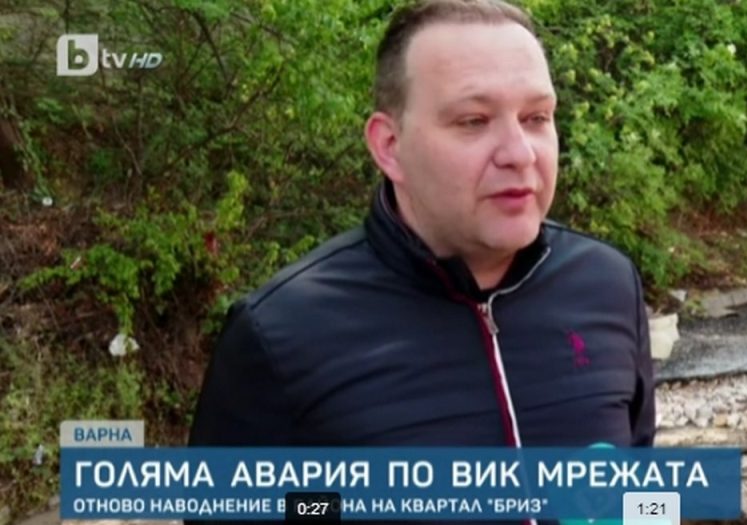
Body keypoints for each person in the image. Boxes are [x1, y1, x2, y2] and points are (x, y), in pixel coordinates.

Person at [189, 0, 654, 452]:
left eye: (536, 118)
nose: (519, 153)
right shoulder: (280, 334)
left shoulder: (608, 284)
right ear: (390, 146)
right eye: (474, 121)